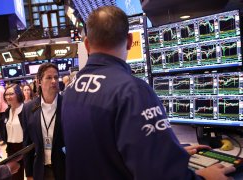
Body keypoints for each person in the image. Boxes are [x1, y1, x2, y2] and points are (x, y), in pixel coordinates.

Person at [61, 6, 235, 180]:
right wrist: (204, 178)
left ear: (86, 44)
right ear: (129, 40)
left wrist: (168, 151)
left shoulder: (70, 89)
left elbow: (102, 152)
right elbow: (161, 176)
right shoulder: (131, 91)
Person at [23, 63, 65, 180]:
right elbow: (27, 143)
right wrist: (29, 173)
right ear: (39, 82)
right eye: (49, 77)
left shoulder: (68, 104)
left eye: (56, 77)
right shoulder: (29, 108)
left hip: (64, 168)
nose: (54, 81)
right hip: (40, 170)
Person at [3, 84, 25, 180]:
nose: (8, 97)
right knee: (14, 175)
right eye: (6, 94)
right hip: (11, 148)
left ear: (18, 94)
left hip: (24, 147)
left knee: (30, 174)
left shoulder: (25, 109)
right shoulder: (7, 111)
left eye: (11, 94)